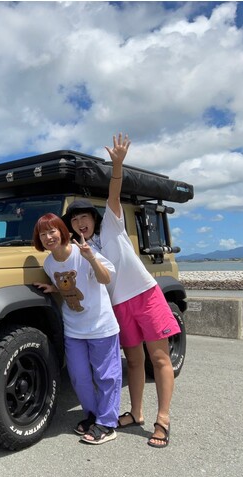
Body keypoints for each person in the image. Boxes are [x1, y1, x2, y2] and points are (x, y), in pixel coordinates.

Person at [62, 133, 179, 448]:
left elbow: (115, 192)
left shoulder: (112, 225)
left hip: (145, 295)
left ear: (93, 218)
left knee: (159, 358)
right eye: (74, 220)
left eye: (84, 216)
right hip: (118, 306)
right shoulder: (84, 248)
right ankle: (137, 413)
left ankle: (163, 420)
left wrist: (117, 166)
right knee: (135, 362)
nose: (79, 223)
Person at [32, 213, 122, 445]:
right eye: (43, 234)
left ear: (63, 231)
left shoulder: (82, 253)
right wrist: (54, 288)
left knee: (106, 376)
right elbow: (69, 284)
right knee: (79, 376)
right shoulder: (49, 263)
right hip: (74, 328)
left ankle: (107, 423)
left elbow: (105, 279)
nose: (48, 237)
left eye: (52, 231)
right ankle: (92, 415)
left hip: (101, 325)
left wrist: (91, 257)